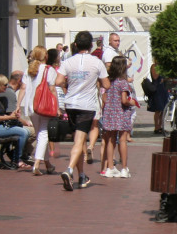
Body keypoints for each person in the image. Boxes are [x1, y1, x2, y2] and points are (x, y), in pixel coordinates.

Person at [55, 30, 110, 191]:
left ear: (76, 45)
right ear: (91, 45)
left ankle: (82, 176)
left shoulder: (68, 61)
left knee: (77, 141)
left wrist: (70, 83)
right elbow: (106, 85)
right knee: (80, 141)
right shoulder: (96, 62)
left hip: (70, 104)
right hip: (86, 105)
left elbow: (58, 81)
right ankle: (69, 170)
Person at [22, 45, 59, 176]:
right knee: (43, 134)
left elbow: (23, 88)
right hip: (42, 105)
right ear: (45, 56)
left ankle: (48, 164)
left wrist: (18, 106)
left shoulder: (29, 70)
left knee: (39, 134)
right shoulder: (49, 70)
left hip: (30, 106)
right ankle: (37, 163)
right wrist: (57, 106)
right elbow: (52, 89)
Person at [99, 56, 134, 178]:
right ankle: (124, 168)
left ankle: (110, 167)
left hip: (109, 112)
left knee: (110, 140)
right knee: (123, 140)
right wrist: (132, 102)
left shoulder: (109, 81)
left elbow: (104, 98)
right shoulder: (123, 82)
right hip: (121, 113)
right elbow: (124, 100)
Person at [147, 62, 169, 134]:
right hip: (157, 89)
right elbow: (155, 77)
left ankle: (161, 126)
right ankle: (156, 127)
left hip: (163, 89)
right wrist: (161, 69)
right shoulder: (154, 66)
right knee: (158, 109)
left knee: (163, 109)